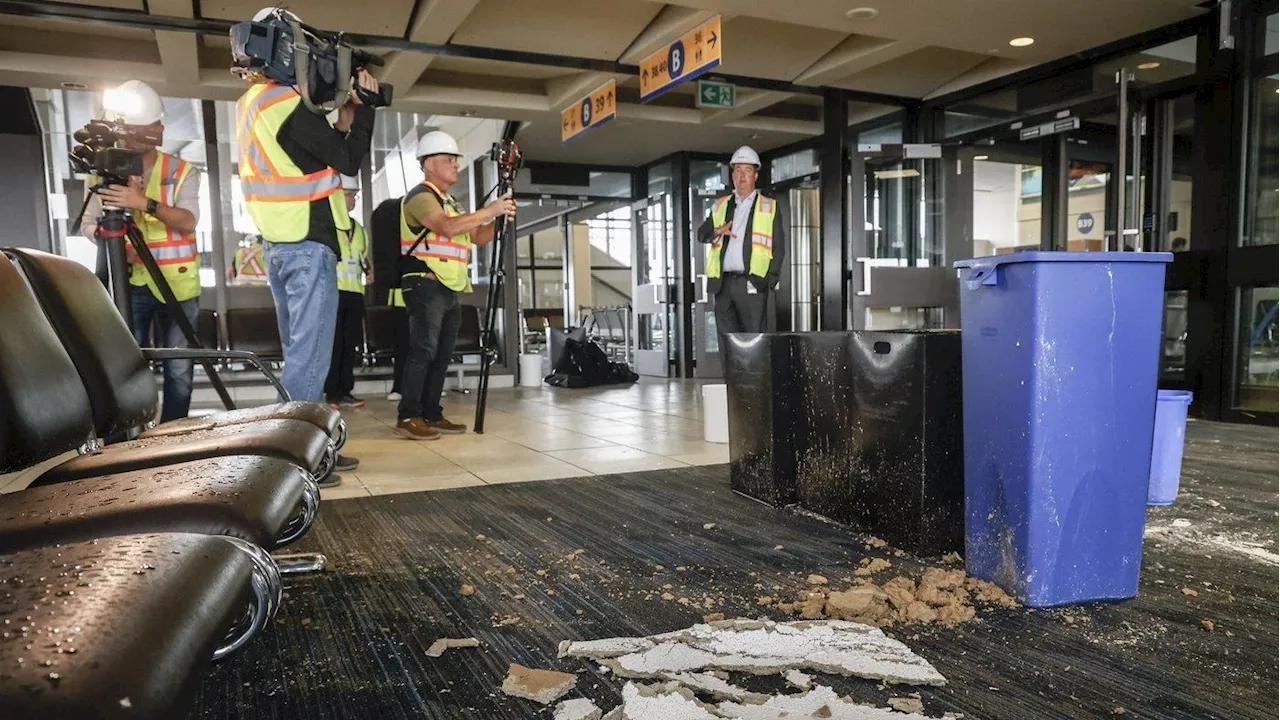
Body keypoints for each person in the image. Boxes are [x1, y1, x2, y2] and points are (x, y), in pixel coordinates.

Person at [234, 7, 379, 473]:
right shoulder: (283, 103)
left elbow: (312, 154)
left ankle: (297, 450)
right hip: (305, 241)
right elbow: (347, 159)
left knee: (301, 355)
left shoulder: (253, 103)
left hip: (281, 243)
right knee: (309, 359)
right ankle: (299, 462)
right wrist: (368, 110)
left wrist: (346, 111)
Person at [81, 79, 203, 423]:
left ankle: (174, 431)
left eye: (148, 128)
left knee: (178, 368)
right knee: (129, 363)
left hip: (178, 286)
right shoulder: (103, 174)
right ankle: (133, 430)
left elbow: (188, 221)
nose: (140, 136)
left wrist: (142, 203)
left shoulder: (181, 171)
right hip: (131, 283)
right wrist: (111, 240)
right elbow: (88, 223)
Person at [395, 130, 515, 440]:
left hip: (448, 287)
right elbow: (446, 228)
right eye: (448, 159)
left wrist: (498, 219)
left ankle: (431, 413)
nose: (455, 165)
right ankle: (409, 415)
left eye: (455, 160)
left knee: (442, 353)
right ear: (428, 164)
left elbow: (477, 236)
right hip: (425, 283)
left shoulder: (452, 202)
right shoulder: (421, 196)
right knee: (423, 349)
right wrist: (490, 211)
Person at [695, 145, 787, 368]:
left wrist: (767, 282)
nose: (741, 176)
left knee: (754, 342)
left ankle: (755, 389)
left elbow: (779, 248)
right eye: (737, 171)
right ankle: (733, 388)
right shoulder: (721, 205)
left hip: (752, 283)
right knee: (727, 342)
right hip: (723, 285)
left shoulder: (768, 206)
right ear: (732, 175)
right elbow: (702, 234)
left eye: (747, 171)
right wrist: (717, 231)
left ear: (756, 175)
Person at [324, 175, 369, 409]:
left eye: (354, 195)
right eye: (349, 195)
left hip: (354, 294)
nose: (353, 200)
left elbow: (362, 259)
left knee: (350, 344)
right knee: (334, 344)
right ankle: (331, 393)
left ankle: (345, 391)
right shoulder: (328, 226)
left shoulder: (359, 230)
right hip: (333, 292)